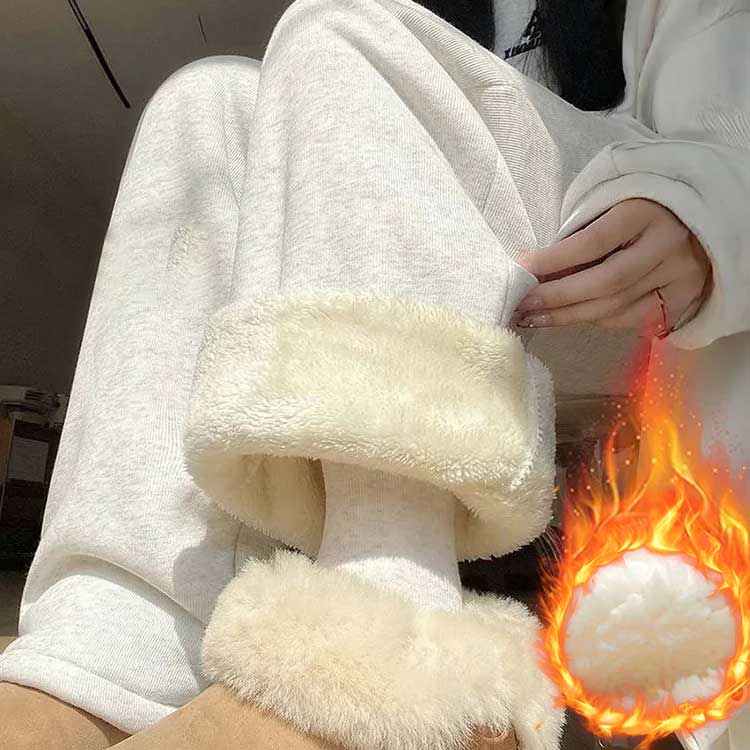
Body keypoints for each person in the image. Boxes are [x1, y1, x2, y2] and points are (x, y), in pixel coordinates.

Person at [2, 0, 749, 748]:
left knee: (344, 29)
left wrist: (705, 206)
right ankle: (112, 645)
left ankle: (394, 625)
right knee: (209, 101)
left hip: (634, 288)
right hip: (497, 313)